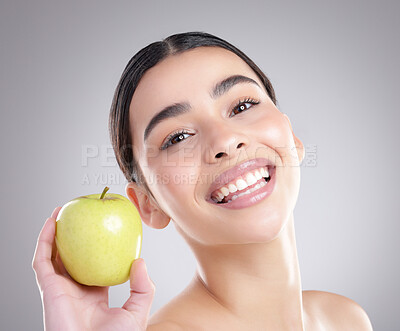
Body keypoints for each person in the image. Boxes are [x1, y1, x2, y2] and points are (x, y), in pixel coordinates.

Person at [32, 31, 373, 330]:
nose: (224, 140)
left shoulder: (345, 318)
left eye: (241, 106)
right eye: (178, 137)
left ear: (292, 136)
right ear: (148, 205)